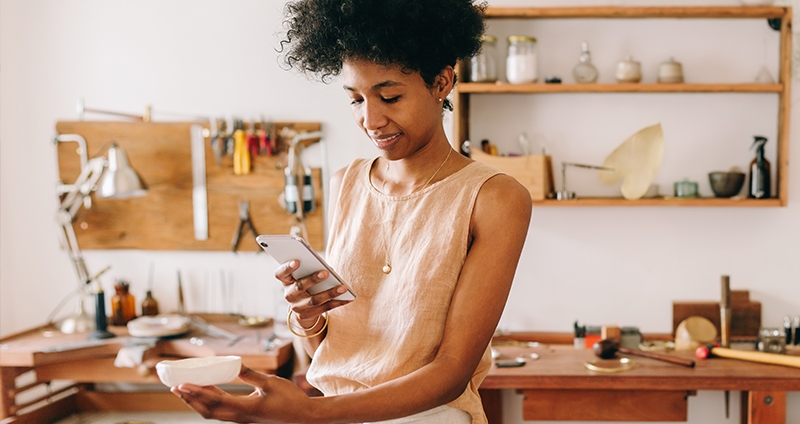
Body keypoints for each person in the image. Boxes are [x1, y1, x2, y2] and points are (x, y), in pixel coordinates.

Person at [170, 0, 532, 422]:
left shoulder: (494, 198)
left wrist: (307, 414)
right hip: (336, 413)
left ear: (441, 82)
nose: (370, 119)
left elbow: (451, 372)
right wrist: (308, 316)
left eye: (390, 96)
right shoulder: (345, 184)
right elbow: (333, 354)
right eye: (356, 99)